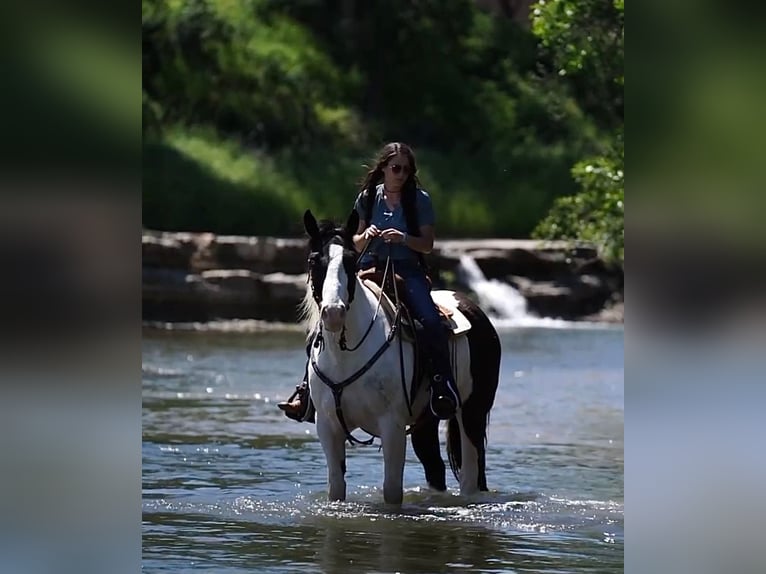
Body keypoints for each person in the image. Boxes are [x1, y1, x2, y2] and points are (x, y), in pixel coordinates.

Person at [278, 142, 460, 422]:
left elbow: (427, 245)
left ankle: (441, 386)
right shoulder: (367, 198)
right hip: (369, 267)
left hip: (407, 269)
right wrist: (368, 236)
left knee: (431, 322)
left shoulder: (419, 200)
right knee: (323, 323)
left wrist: (403, 239)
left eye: (406, 170)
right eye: (396, 168)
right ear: (384, 168)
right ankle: (306, 392)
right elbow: (356, 243)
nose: (401, 175)